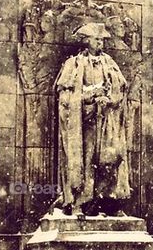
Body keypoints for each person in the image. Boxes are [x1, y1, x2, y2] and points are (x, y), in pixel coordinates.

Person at [55, 22, 133, 215]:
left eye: (102, 40)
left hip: (107, 122)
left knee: (110, 161)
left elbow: (121, 89)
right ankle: (80, 202)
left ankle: (108, 200)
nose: (101, 43)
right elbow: (65, 97)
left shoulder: (110, 64)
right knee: (87, 161)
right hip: (85, 123)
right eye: (97, 39)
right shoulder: (74, 64)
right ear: (87, 41)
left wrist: (109, 98)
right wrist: (88, 97)